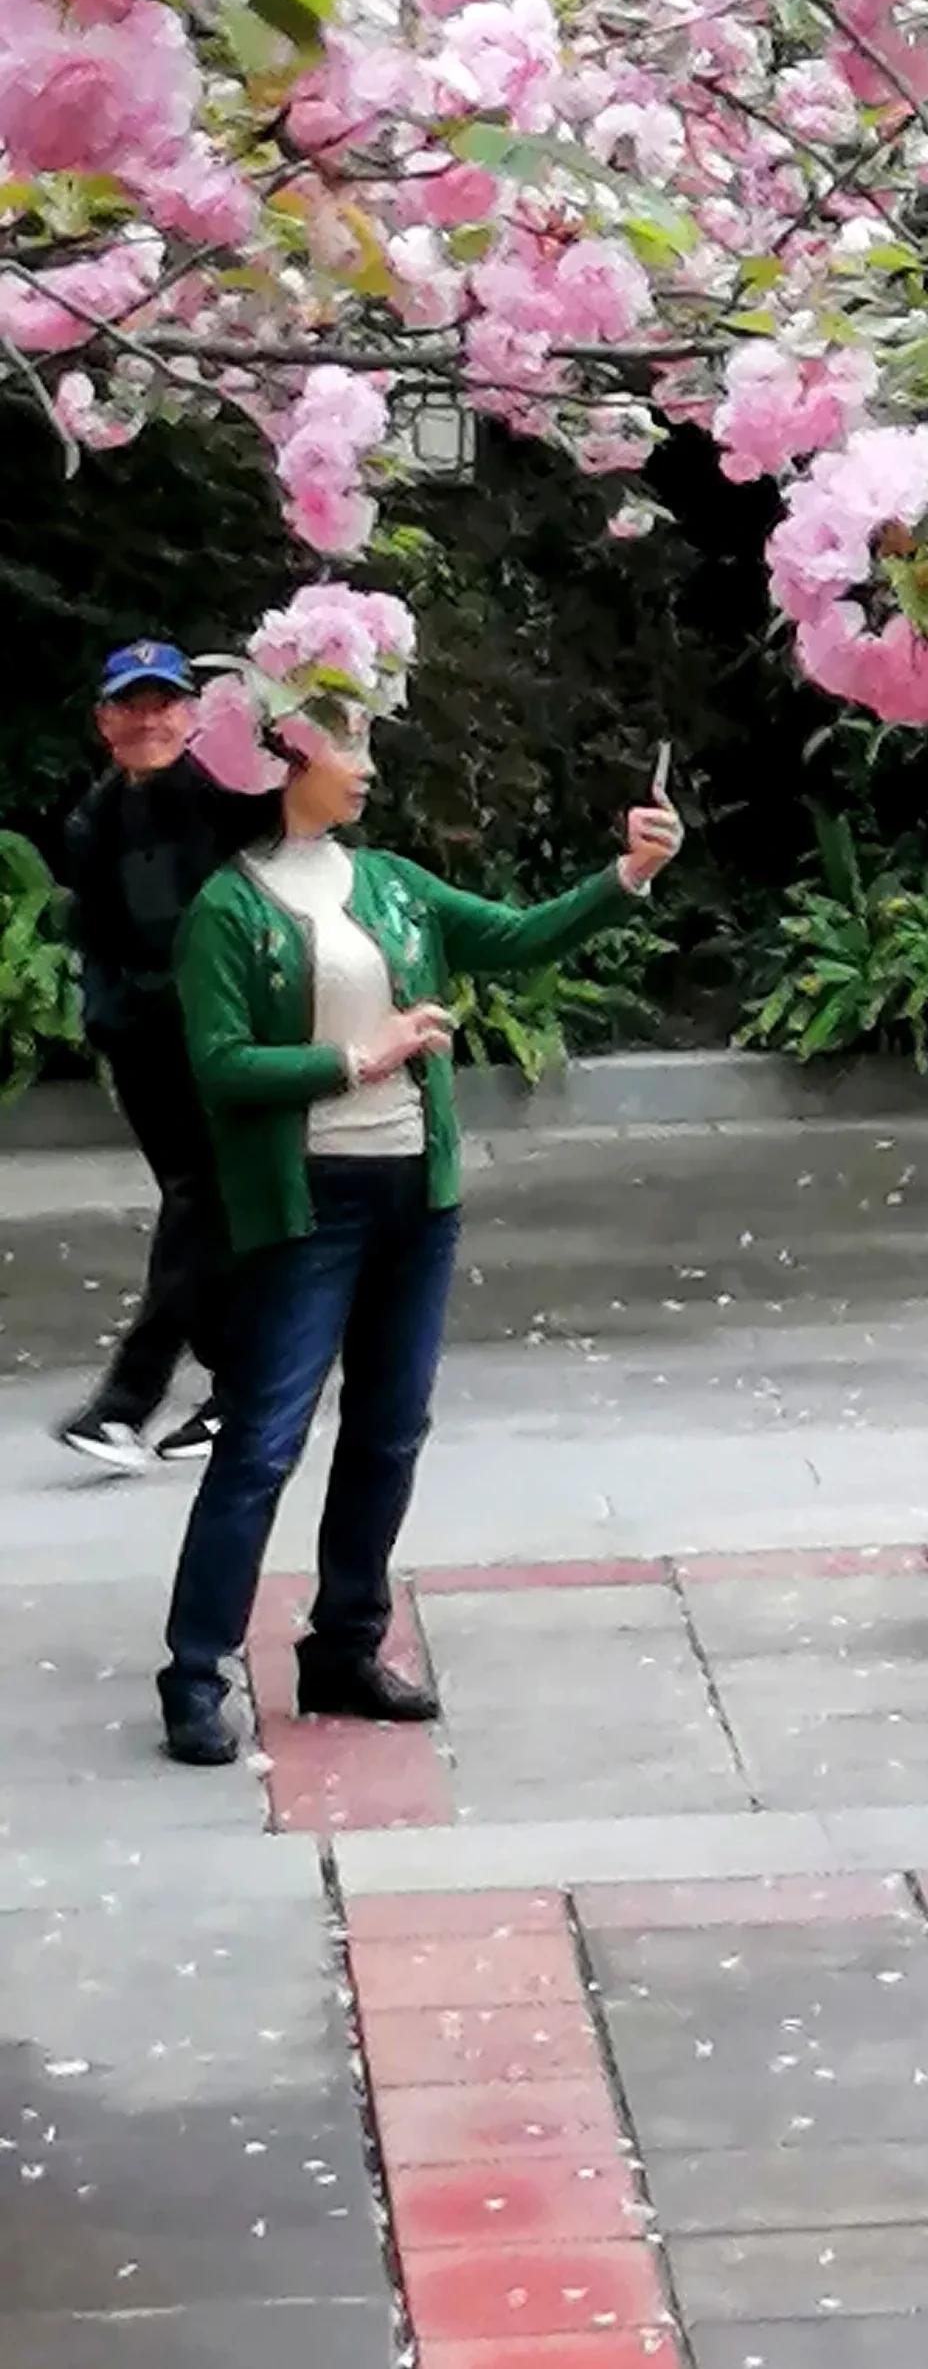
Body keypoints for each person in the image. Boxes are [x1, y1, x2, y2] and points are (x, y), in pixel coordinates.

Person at [155, 593, 678, 1769]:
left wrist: (626, 874)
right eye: (354, 745)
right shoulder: (229, 912)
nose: (370, 767)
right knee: (263, 1442)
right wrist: (364, 1053)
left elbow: (522, 935)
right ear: (289, 754)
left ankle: (344, 1648)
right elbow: (222, 1069)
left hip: (413, 1198)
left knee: (390, 1433)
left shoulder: (389, 882)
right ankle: (194, 1674)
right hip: (307, 1209)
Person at [53, 640, 280, 1473]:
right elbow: (100, 936)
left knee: (201, 1202)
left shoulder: (229, 793)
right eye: (132, 704)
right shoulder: (93, 819)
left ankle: (128, 1399)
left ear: (195, 715)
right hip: (144, 1042)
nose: (150, 718)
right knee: (203, 1205)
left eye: (167, 702)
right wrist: (110, 1020)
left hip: (225, 1037)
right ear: (105, 720)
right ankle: (241, 1390)